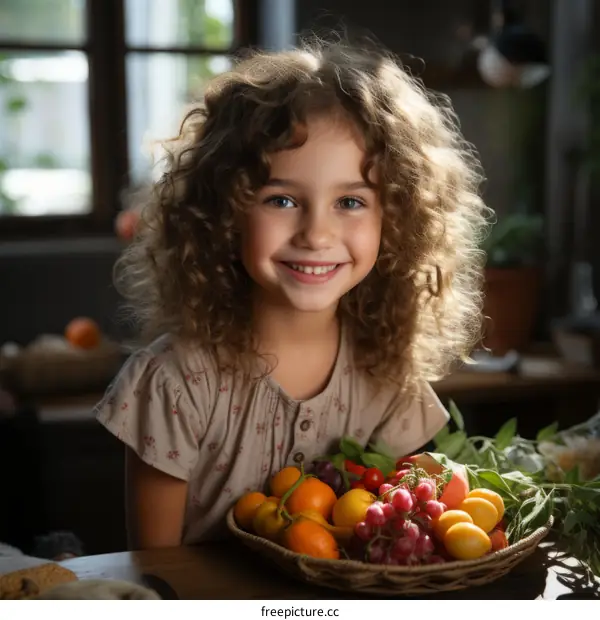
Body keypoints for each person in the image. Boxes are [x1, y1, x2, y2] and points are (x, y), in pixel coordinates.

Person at [95, 38, 491, 550]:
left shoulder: (388, 373)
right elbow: (156, 574)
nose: (316, 234)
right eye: (281, 198)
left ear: (395, 222)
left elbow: (394, 544)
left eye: (350, 200)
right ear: (223, 212)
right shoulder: (174, 385)